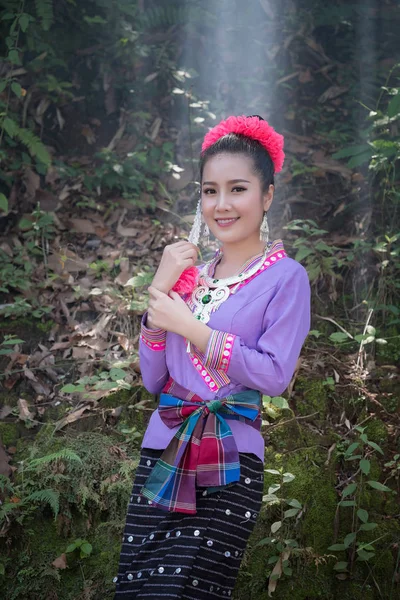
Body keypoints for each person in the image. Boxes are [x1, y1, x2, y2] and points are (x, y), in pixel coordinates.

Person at [112, 115, 311, 599]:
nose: (221, 205)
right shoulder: (189, 275)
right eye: (209, 191)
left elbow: (274, 373)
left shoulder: (286, 279)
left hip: (230, 455)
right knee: (139, 589)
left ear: (266, 197)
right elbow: (154, 378)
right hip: (163, 444)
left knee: (189, 591)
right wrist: (160, 289)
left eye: (237, 189)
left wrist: (193, 329)